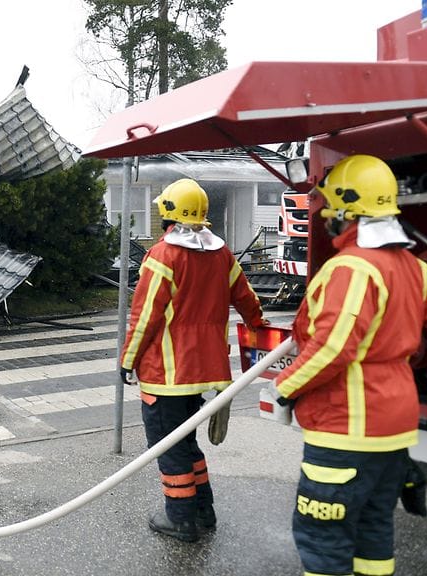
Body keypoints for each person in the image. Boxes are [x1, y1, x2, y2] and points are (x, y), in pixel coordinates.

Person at [270, 154, 427, 576]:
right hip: (393, 430)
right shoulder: (413, 266)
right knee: (373, 531)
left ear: (346, 212)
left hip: (347, 427)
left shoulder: (352, 268)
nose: (327, 219)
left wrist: (284, 387)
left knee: (322, 537)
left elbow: (335, 348)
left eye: (331, 210)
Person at [119, 178, 267, 543]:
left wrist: (127, 360)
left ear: (168, 213)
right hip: (206, 373)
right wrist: (260, 328)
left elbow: (145, 316)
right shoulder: (222, 254)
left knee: (168, 447)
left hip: (166, 374)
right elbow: (247, 298)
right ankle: (204, 511)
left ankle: (180, 520)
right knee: (187, 443)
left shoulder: (162, 257)